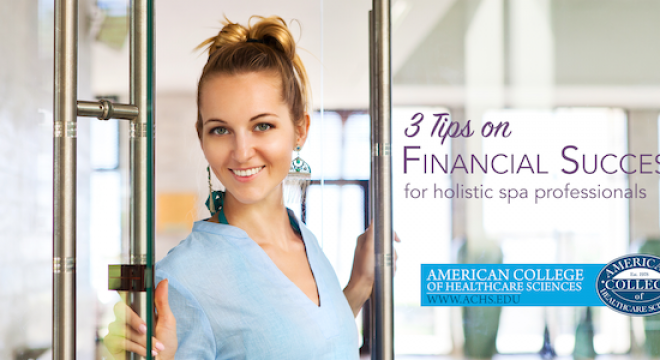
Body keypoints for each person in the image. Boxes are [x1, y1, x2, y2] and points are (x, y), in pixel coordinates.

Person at [104, 15, 399, 359]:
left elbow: (307, 347)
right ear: (201, 135)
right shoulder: (179, 281)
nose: (242, 152)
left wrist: (360, 284)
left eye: (262, 126)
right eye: (220, 129)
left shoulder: (305, 240)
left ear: (300, 129)